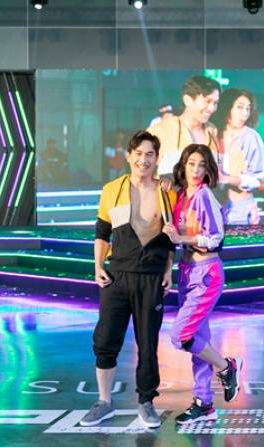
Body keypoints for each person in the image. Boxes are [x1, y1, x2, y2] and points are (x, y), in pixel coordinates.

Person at [80, 130, 177, 429]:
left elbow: (170, 238)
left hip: (150, 278)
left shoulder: (167, 192)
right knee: (105, 340)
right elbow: (101, 232)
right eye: (138, 154)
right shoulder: (113, 189)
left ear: (157, 158)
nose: (143, 160)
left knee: (148, 344)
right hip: (117, 277)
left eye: (149, 154)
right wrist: (98, 265)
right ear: (129, 156)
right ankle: (104, 402)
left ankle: (146, 402)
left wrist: (168, 270)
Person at [162, 144, 243, 425]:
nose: (196, 170)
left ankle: (227, 367)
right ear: (183, 166)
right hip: (187, 273)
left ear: (208, 170)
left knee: (181, 336)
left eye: (202, 165)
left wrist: (182, 239)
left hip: (206, 274)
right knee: (199, 342)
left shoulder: (204, 196)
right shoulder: (182, 195)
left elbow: (216, 237)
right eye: (191, 164)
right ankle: (204, 403)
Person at [212, 88, 264, 225]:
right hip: (212, 205)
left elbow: (256, 179)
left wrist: (227, 179)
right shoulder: (212, 133)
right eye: (240, 107)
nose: (245, 113)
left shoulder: (251, 137)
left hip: (239, 207)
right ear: (227, 108)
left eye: (248, 109)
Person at [148, 75, 221, 176]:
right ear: (187, 100)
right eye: (207, 101)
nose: (212, 108)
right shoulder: (161, 130)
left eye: (215, 103)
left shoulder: (212, 131)